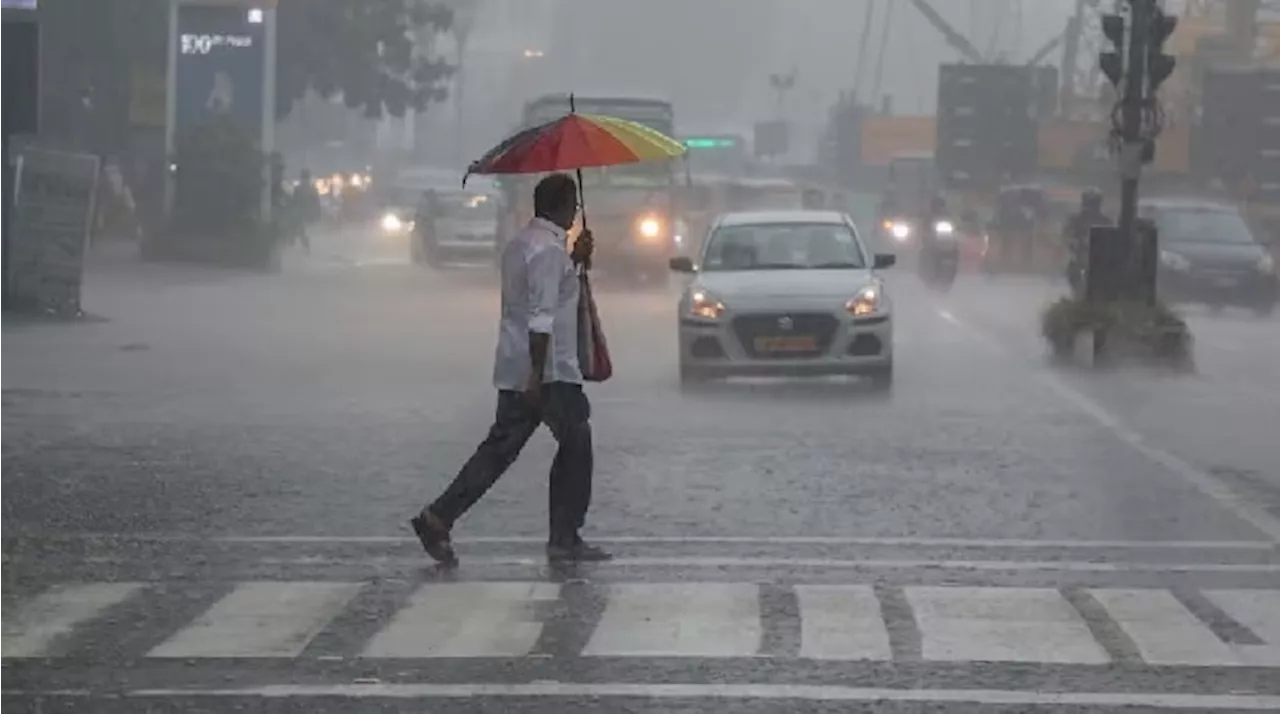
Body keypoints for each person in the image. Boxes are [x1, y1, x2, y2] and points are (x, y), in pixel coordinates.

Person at [410, 173, 611, 565]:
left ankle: (438, 517)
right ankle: (565, 537)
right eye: (574, 205)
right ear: (563, 204)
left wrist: (575, 261)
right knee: (577, 445)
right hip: (549, 372)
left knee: (498, 451)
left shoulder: (524, 244)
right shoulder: (549, 252)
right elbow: (541, 316)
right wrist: (536, 375)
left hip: (518, 364)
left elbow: (542, 293)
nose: (576, 213)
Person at [1064, 189, 1110, 293]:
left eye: (1094, 204)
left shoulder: (1105, 221)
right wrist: (1072, 242)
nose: (1091, 208)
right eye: (1090, 203)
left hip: (1098, 257)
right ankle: (1078, 294)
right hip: (1080, 253)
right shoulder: (1075, 219)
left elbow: (1111, 239)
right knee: (1072, 270)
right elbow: (1067, 234)